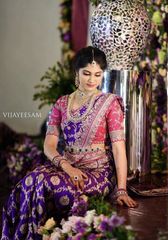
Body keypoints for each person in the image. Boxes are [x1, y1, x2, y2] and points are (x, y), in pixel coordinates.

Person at [1, 46, 137, 240]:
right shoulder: (61, 103)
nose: (92, 80)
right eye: (87, 73)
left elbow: (118, 147)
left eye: (98, 75)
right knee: (30, 180)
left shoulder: (110, 103)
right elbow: (48, 145)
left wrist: (121, 190)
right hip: (67, 168)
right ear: (77, 72)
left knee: (46, 182)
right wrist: (67, 167)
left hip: (97, 173)